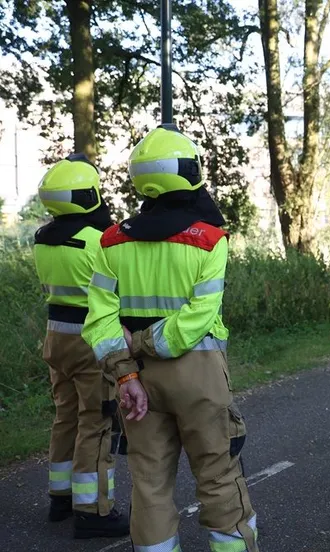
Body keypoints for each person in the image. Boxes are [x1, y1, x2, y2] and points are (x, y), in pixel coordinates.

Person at [82, 124, 259, 552]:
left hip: (136, 381)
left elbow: (99, 323)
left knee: (149, 482)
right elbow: (199, 317)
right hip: (197, 376)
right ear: (189, 173)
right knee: (218, 475)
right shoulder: (210, 241)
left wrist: (126, 373)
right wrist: (144, 343)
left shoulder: (110, 241)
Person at [33, 153, 130, 538]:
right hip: (89, 340)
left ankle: (61, 498)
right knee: (97, 422)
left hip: (55, 338)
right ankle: (93, 510)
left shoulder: (43, 238)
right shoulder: (98, 240)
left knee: (66, 417)